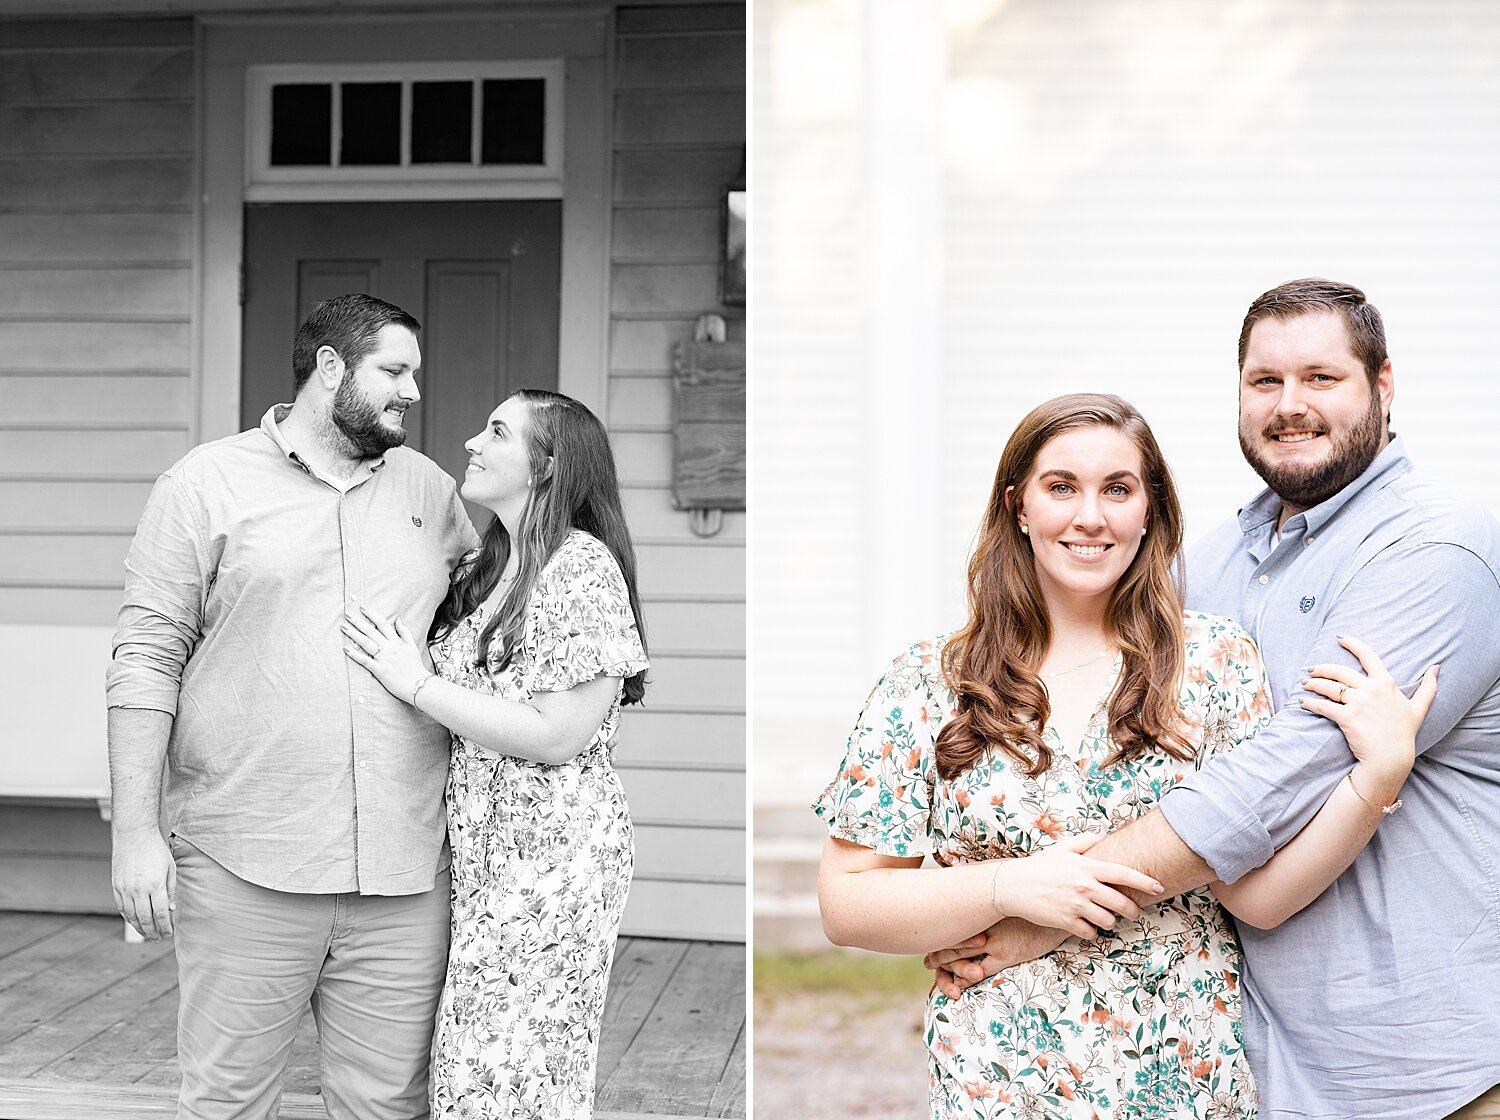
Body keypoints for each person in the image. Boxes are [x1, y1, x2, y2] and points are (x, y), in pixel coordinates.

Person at [929, 280, 1500, 1118]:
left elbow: (1273, 780)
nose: (1289, 405)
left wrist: (1051, 911)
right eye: (1264, 381)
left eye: (1320, 378)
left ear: (1382, 387)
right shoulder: (1220, 559)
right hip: (1250, 1061)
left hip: (1414, 1065)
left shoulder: (1437, 550)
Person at [814, 393, 1434, 1119]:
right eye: (1061, 487)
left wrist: (1377, 780)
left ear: (1149, 509)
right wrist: (1008, 888)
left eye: (1117, 488)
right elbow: (847, 903)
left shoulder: (1215, 663)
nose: (1090, 516)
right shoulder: (928, 682)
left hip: (1183, 1075)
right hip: (999, 1077)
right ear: (1018, 506)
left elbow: (1259, 897)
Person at [106, 293, 476, 1119]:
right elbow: (144, 660)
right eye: (395, 370)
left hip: (405, 874)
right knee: (228, 1104)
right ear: (331, 368)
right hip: (247, 860)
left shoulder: (431, 491)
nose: (414, 390)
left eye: (416, 372)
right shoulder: (203, 483)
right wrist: (133, 834)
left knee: (388, 1108)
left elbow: (487, 637)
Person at [341, 388, 649, 1120]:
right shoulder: (490, 563)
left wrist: (413, 684)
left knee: (514, 1070)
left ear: (546, 466)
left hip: (554, 861)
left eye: (498, 432)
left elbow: (557, 733)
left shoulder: (581, 568)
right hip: (484, 857)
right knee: (477, 1068)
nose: (473, 442)